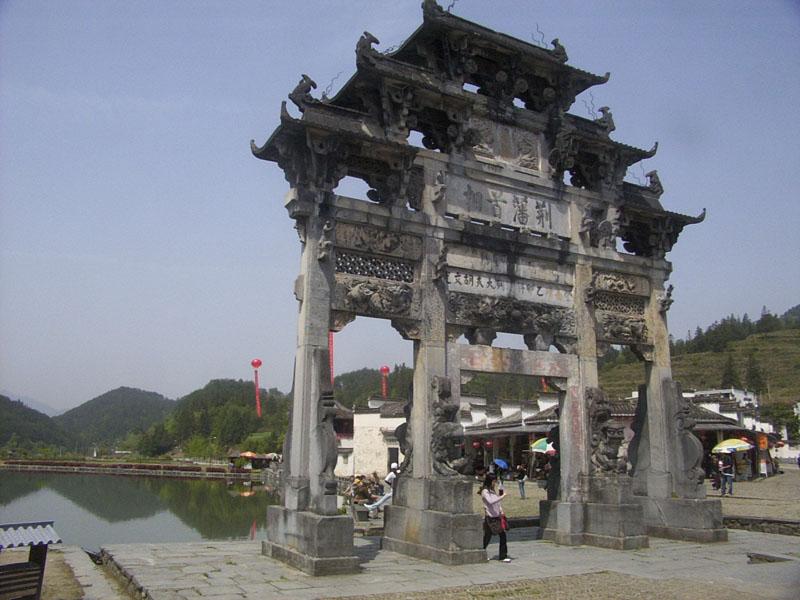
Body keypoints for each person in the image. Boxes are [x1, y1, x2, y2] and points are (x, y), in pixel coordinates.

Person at [479, 473, 511, 562]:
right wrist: (502, 496)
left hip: (496, 517)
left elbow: (497, 503)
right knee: (487, 537)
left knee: (501, 535)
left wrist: (501, 510)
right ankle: (480, 552)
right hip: (490, 518)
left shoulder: (492, 491)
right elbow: (491, 501)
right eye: (493, 481)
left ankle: (503, 555)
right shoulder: (485, 491)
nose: (494, 483)